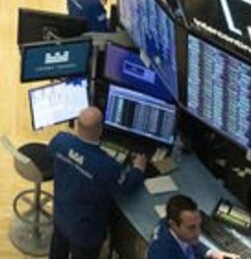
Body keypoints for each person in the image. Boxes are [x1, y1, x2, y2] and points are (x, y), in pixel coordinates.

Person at [48, 107, 147, 259]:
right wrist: (139, 168)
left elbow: (51, 156)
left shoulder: (60, 140)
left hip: (61, 216)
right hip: (85, 233)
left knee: (57, 253)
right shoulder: (107, 166)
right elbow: (127, 187)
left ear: (77, 124)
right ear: (100, 129)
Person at [148, 195, 239, 259]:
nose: (198, 232)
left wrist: (211, 253)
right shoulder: (161, 253)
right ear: (174, 225)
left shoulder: (170, 222)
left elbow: (190, 243)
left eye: (199, 225)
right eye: (192, 228)